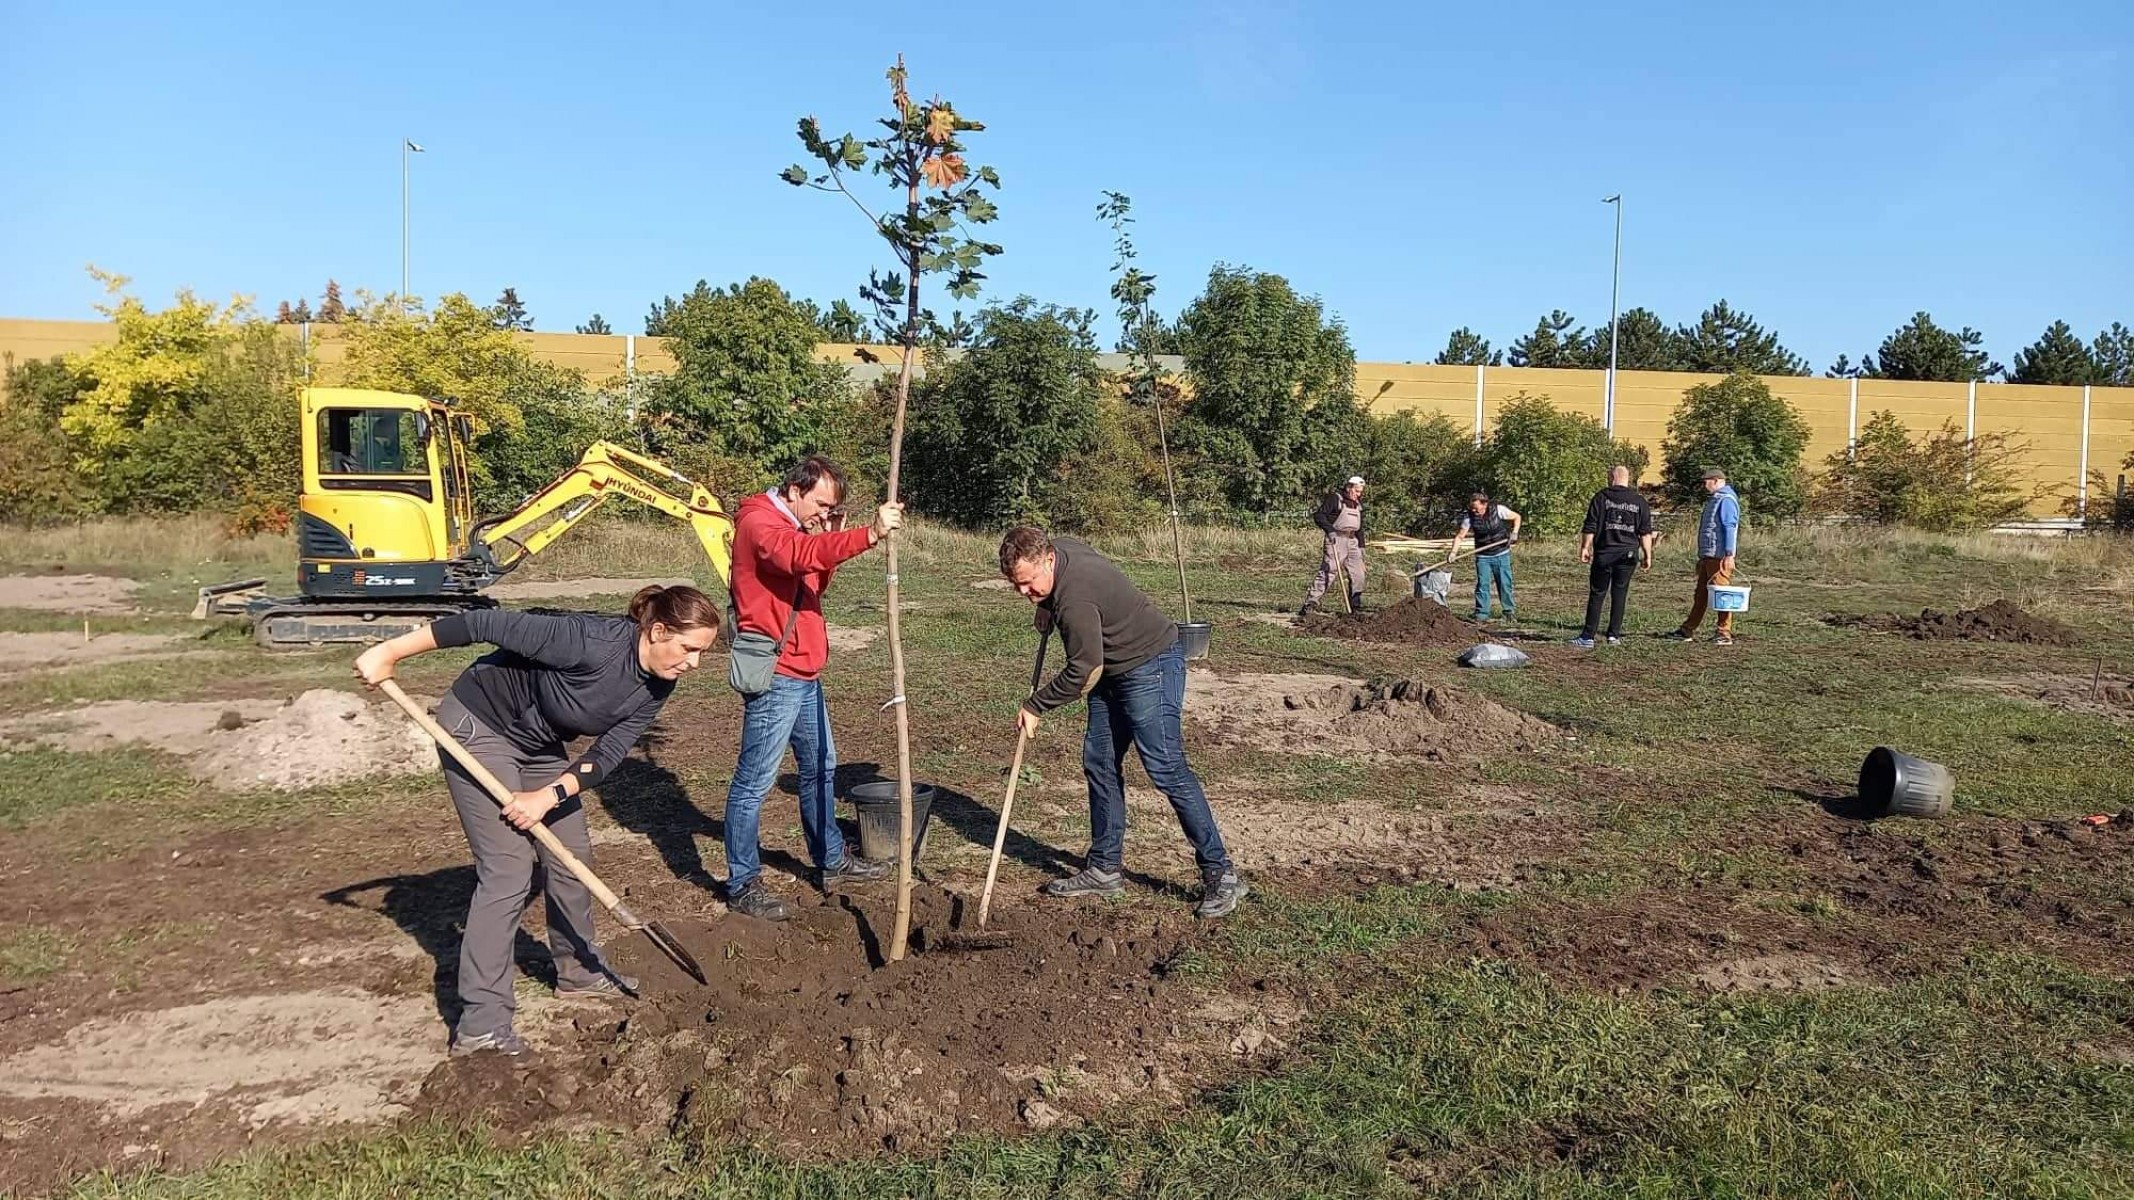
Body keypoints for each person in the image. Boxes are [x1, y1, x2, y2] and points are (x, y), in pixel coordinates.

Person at [352, 584, 722, 1057]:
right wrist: (390, 652)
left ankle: (579, 971)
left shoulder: (658, 684)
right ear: (658, 630)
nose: (693, 664)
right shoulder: (585, 640)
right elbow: (481, 623)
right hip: (480, 726)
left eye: (702, 654)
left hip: (538, 744)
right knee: (508, 869)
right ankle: (482, 1024)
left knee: (572, 856)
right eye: (689, 649)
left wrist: (549, 796)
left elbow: (607, 753)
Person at [999, 526, 1246, 919]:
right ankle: (1104, 868)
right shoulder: (1059, 550)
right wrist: (1044, 606)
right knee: (1099, 762)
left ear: (1048, 560)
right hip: (1115, 669)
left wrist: (1036, 705)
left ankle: (1222, 873)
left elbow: (1084, 671)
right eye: (1017, 587)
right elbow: (1091, 654)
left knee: (1166, 768)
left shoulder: (1075, 599)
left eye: (1029, 585)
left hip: (1151, 665)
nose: (1025, 594)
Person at [721, 454, 904, 922]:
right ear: (795, 491)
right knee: (754, 783)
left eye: (831, 508)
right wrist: (868, 534)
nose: (825, 513)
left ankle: (831, 858)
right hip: (777, 673)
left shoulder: (798, 528)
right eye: (821, 504)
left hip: (805, 673)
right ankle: (743, 882)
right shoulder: (760, 524)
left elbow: (814, 578)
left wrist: (825, 537)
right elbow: (799, 557)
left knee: (820, 768)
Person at [1572, 466, 1655, 649]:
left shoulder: (1601, 497)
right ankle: (1613, 635)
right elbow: (1645, 532)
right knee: (1620, 594)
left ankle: (1588, 636)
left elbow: (1590, 525)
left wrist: (1585, 547)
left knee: (1597, 593)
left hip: (1605, 553)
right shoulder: (1639, 501)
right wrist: (1647, 555)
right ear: (1628, 478)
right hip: (1628, 554)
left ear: (1612, 477)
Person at [1667, 468, 1742, 646]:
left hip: (1719, 557)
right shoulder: (1716, 499)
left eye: (1705, 481)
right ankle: (1687, 629)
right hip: (1710, 555)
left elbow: (1729, 527)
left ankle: (1724, 632)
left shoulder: (1726, 500)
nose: (1703, 485)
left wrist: (1729, 554)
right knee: (1701, 595)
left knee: (1722, 595)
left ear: (1715, 480)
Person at [1300, 475, 1368, 616]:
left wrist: (1361, 546)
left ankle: (1355, 606)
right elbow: (1319, 516)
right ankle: (1310, 603)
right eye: (1357, 491)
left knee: (1359, 574)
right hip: (1336, 538)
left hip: (1352, 540)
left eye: (1360, 492)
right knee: (1329, 570)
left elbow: (1360, 527)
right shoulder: (1336, 499)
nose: (1359, 494)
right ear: (1349, 488)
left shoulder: (1358, 504)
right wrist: (1330, 530)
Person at [1450, 492, 1523, 622]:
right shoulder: (1469, 518)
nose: (1474, 510)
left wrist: (1515, 533)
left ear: (1485, 504)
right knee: (1483, 585)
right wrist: (1453, 553)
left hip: (1501, 553)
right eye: (1472, 508)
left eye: (1476, 508)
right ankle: (1482, 613)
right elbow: (1460, 536)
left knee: (1505, 584)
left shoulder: (1498, 510)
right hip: (1483, 556)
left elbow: (1517, 517)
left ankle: (1509, 613)